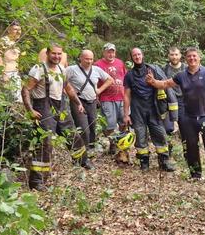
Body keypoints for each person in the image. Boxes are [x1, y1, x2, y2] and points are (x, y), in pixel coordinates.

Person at [146, 46, 205, 184]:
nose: (192, 58)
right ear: (186, 59)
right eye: (189, 56)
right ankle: (195, 174)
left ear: (199, 57)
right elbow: (165, 84)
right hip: (189, 117)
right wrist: (153, 82)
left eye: (194, 56)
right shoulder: (181, 75)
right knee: (191, 147)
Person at [22, 44, 90, 191]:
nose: (57, 57)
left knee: (72, 134)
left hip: (60, 106)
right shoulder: (38, 69)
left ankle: (82, 162)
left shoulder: (61, 69)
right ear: (47, 53)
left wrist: (78, 103)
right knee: (44, 143)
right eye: (54, 54)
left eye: (59, 54)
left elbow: (69, 89)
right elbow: (26, 89)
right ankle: (37, 181)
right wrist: (30, 110)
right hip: (43, 107)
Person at [123, 47, 175, 172]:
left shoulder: (154, 69)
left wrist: (170, 109)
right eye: (134, 55)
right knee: (140, 136)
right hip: (137, 109)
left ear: (143, 55)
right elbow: (126, 95)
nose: (137, 57)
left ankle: (164, 161)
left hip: (154, 107)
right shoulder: (129, 75)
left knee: (160, 134)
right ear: (132, 58)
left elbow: (165, 85)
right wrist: (126, 114)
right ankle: (144, 162)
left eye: (139, 54)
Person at [66, 49, 114, 152]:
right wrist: (67, 92)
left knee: (92, 127)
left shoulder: (96, 69)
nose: (89, 61)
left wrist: (99, 90)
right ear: (81, 58)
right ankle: (83, 151)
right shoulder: (71, 69)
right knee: (83, 128)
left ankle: (91, 150)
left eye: (91, 59)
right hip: (78, 101)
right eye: (87, 59)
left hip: (92, 102)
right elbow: (61, 80)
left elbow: (110, 80)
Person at [94, 43, 127, 155]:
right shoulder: (98, 64)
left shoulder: (120, 63)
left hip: (121, 97)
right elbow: (94, 81)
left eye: (112, 51)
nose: (110, 54)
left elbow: (125, 77)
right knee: (110, 124)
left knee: (124, 121)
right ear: (104, 52)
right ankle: (112, 143)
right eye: (108, 51)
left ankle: (122, 142)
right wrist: (97, 96)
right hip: (106, 98)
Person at [163, 47, 184, 156]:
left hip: (184, 103)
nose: (174, 57)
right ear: (169, 56)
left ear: (180, 56)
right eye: (172, 54)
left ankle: (187, 154)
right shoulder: (164, 69)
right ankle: (168, 153)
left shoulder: (186, 68)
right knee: (168, 129)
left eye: (176, 54)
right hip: (169, 103)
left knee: (186, 129)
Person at [0, 21, 23, 103]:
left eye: (19, 29)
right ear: (8, 30)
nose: (18, 32)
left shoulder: (15, 44)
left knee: (15, 101)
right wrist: (3, 74)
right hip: (7, 74)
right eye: (15, 29)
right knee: (14, 101)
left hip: (15, 74)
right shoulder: (3, 41)